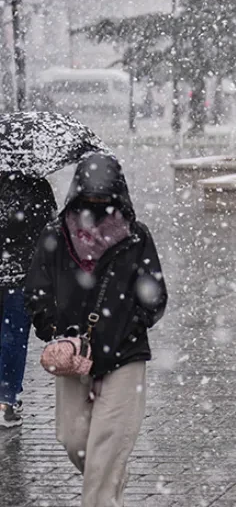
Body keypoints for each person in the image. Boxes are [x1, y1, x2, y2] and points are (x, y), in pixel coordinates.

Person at [26, 153, 168, 506]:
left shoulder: (135, 237)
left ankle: (103, 491)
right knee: (73, 438)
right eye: (90, 199)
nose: (97, 207)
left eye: (104, 199)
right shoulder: (55, 235)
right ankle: (108, 476)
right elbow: (36, 288)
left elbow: (153, 293)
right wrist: (55, 329)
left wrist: (128, 325)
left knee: (107, 444)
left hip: (125, 354)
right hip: (71, 356)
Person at [0, 171, 57, 427]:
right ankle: (5, 400)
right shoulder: (36, 186)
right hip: (22, 274)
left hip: (18, 272)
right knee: (13, 336)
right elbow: (49, 233)